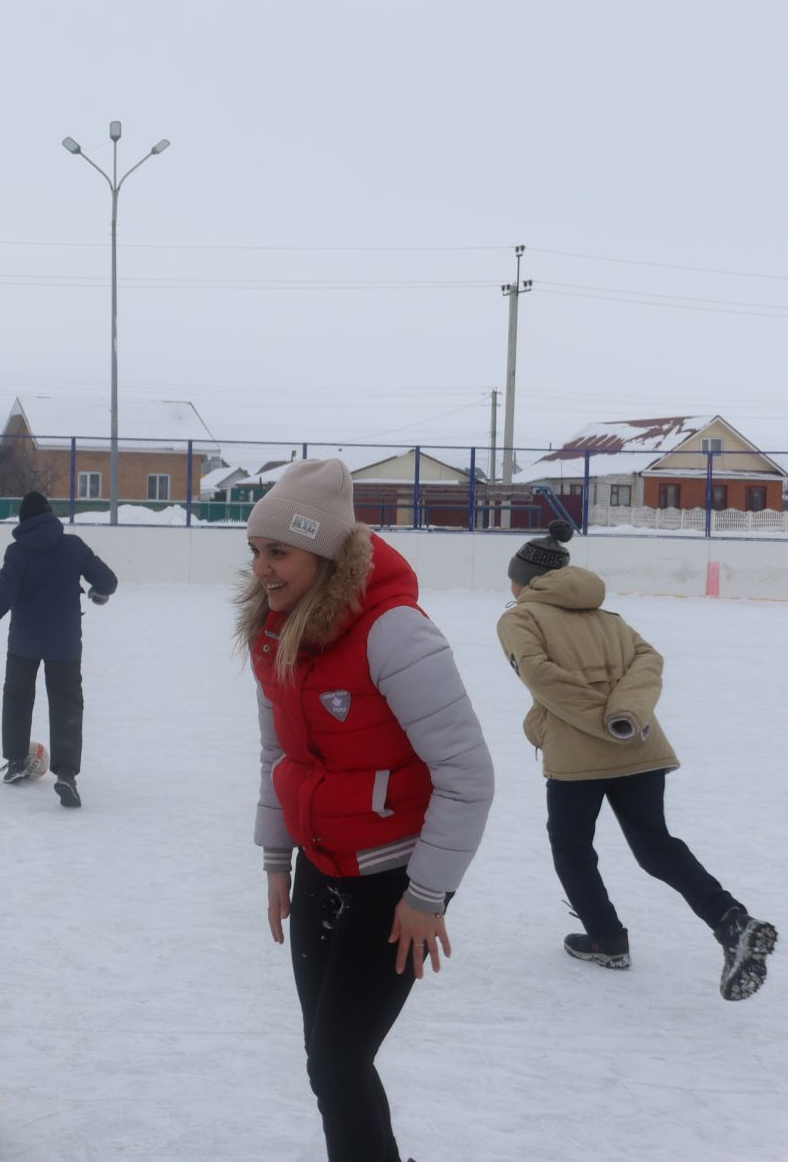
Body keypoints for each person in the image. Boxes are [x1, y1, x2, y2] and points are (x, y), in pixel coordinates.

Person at [242, 459, 494, 1162]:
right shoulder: (276, 633)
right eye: (256, 552)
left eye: (279, 552)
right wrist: (274, 861)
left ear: (324, 553)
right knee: (329, 1064)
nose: (262, 569)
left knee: (337, 1063)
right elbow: (280, 758)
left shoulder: (394, 632)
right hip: (323, 864)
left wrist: (427, 895)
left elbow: (468, 773)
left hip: (394, 881)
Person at [496, 521, 776, 999]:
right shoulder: (612, 620)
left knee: (572, 848)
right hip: (639, 748)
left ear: (524, 579)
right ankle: (732, 922)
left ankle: (606, 939)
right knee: (655, 846)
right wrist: (623, 715)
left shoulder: (519, 618)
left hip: (577, 760)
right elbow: (648, 664)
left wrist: (596, 721)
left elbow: (541, 677)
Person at [0, 489, 117, 806]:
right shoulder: (73, 546)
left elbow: (1, 600)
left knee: (17, 699)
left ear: (23, 521)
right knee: (66, 704)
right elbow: (108, 581)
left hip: (23, 644)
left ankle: (15, 761)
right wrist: (97, 591)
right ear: (50, 515)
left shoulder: (17, 553)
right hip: (64, 645)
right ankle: (66, 775)